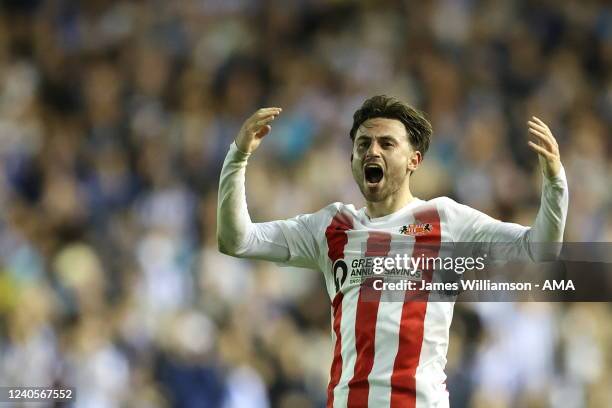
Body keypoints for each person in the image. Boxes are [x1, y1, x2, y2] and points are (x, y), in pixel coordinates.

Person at [216, 95, 568, 407]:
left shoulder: (446, 220)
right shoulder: (330, 227)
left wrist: (554, 182)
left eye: (387, 144)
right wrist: (238, 158)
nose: (372, 151)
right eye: (363, 143)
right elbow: (238, 240)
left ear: (414, 160)